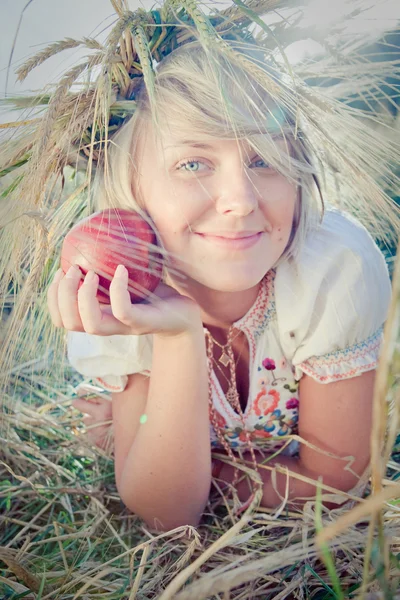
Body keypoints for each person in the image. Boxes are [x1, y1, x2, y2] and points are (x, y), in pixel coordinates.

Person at [45, 35, 393, 533]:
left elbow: (335, 483)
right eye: (193, 164)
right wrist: (176, 336)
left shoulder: (331, 274)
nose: (240, 200)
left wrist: (170, 466)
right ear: (129, 188)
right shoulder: (120, 298)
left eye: (264, 160)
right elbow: (167, 513)